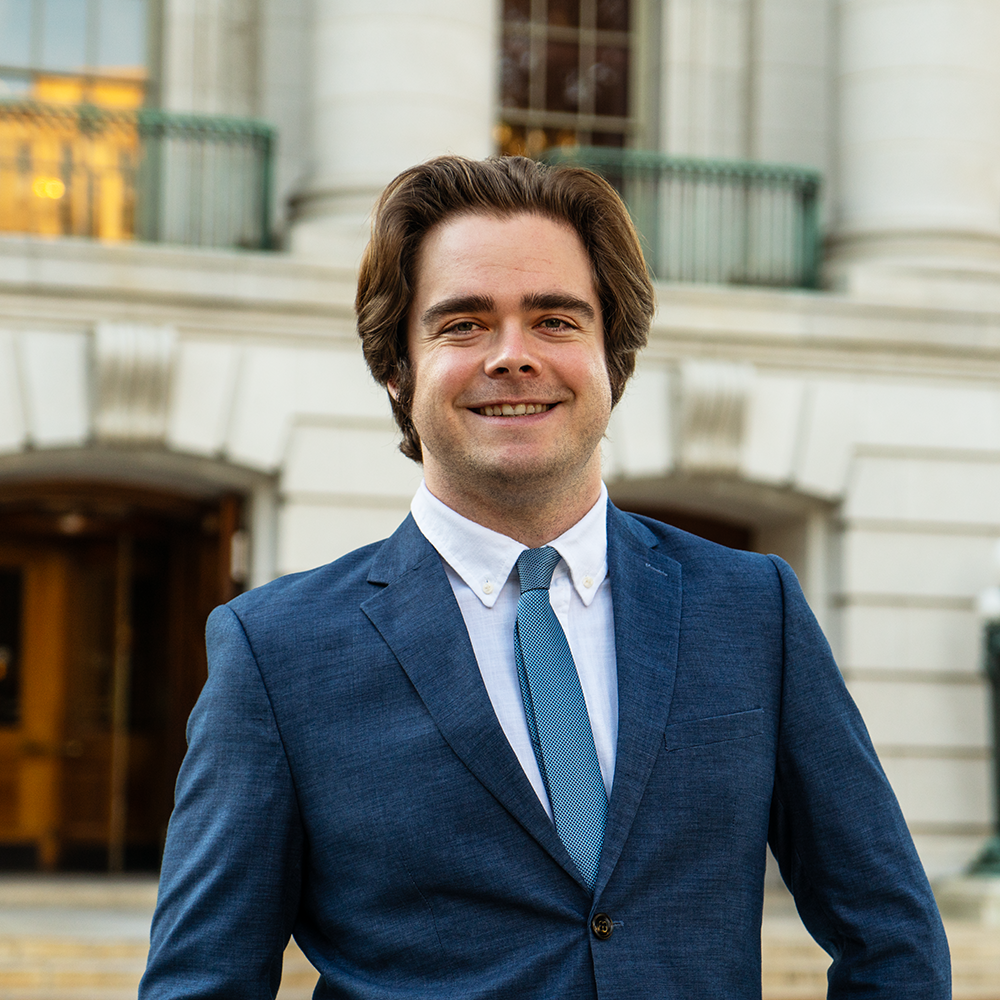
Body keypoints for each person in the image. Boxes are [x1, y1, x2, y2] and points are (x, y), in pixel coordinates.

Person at [140, 156, 950, 998]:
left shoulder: (753, 610)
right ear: (396, 368)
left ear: (614, 358)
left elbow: (891, 935)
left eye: (556, 320)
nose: (513, 356)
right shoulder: (278, 652)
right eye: (462, 325)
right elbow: (203, 982)